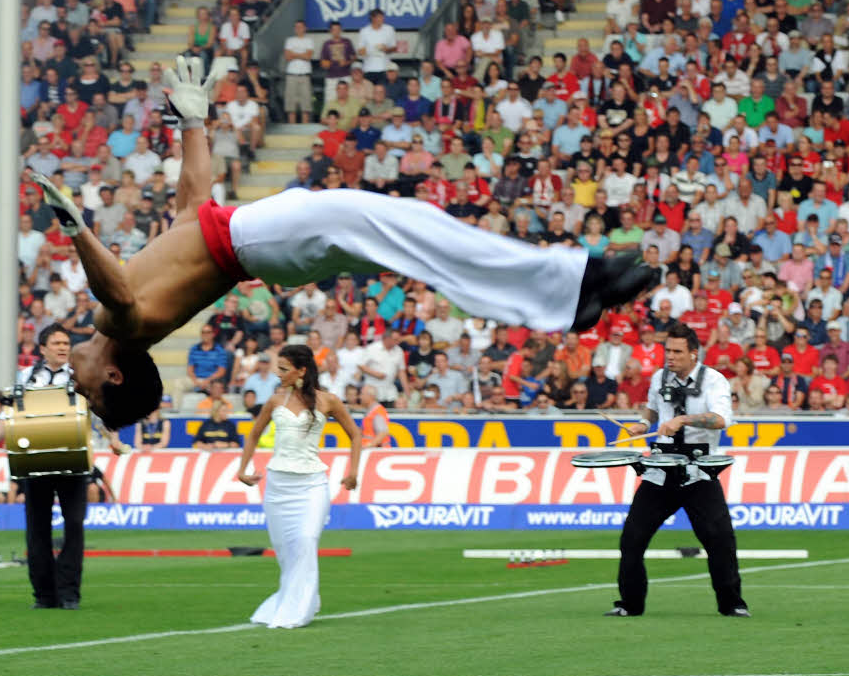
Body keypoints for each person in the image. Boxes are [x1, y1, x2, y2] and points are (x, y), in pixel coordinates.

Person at [36, 58, 659, 430]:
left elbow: (190, 207)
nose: (77, 377)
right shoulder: (119, 320)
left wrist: (193, 123)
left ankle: (570, 292)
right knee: (419, 234)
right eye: (90, 390)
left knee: (422, 238)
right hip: (267, 240)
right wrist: (77, 229)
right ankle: (573, 287)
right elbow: (114, 289)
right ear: (115, 374)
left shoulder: (130, 311)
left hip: (269, 243)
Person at [611, 322, 749, 618]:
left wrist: (683, 420)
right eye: (667, 351)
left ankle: (732, 604)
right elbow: (651, 408)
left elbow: (721, 419)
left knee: (720, 538)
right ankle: (630, 604)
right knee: (632, 538)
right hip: (661, 468)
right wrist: (643, 425)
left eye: (676, 351)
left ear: (694, 354)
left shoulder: (714, 380)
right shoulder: (660, 376)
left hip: (698, 470)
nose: (669, 357)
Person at [235, 345, 361, 629]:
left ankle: (298, 610)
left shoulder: (328, 401)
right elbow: (253, 435)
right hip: (278, 486)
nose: (277, 374)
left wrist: (353, 472)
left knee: (305, 541)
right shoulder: (275, 400)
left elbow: (355, 434)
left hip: (312, 485)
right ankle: (298, 600)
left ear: (301, 370)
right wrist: (242, 469)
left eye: (283, 368)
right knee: (285, 551)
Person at [0, 324, 87, 610]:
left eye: (66, 343)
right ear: (42, 348)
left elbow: (96, 409)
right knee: (37, 528)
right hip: (35, 460)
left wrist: (112, 438)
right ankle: (44, 594)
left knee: (74, 525)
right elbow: (8, 414)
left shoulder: (81, 375)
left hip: (72, 458)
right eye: (57, 342)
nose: (63, 347)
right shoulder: (26, 377)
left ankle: (69, 592)